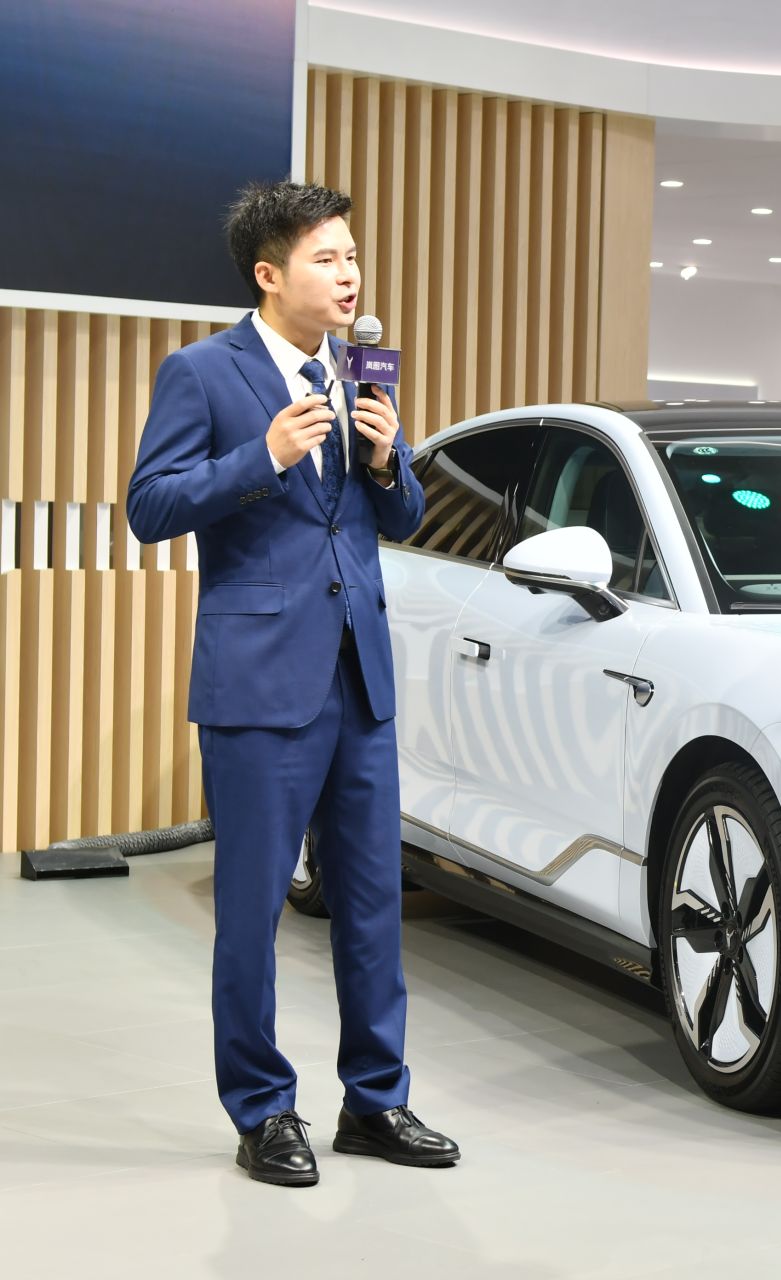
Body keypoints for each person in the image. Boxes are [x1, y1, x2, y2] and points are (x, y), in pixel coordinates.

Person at [125, 181, 456, 1185]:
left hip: (359, 678)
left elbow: (400, 518)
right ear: (269, 274)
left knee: (373, 905)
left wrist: (389, 462)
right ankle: (263, 1108)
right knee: (252, 910)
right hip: (259, 684)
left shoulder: (358, 373)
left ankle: (377, 1099)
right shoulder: (203, 373)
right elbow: (150, 505)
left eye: (352, 255)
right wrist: (262, 456)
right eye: (327, 258)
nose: (350, 275)